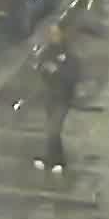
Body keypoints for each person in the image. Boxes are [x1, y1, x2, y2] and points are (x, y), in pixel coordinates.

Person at [35, 39, 82, 173]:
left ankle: (55, 160)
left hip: (62, 98)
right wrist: (44, 68)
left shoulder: (71, 58)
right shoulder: (48, 52)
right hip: (50, 96)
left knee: (53, 128)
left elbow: (72, 77)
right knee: (52, 129)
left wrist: (56, 70)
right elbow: (40, 68)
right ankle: (55, 159)